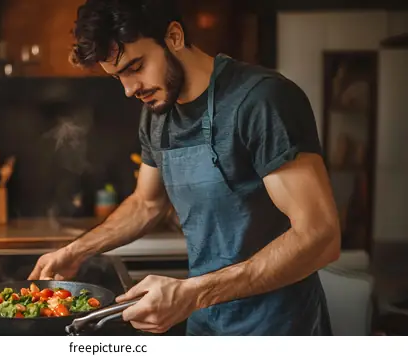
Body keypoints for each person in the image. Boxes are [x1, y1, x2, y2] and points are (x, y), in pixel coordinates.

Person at [28, 0, 341, 336]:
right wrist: (76, 251)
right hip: (206, 323)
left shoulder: (262, 100)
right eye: (119, 76)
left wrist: (193, 293)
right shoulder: (157, 113)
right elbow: (147, 204)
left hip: (276, 328)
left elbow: (320, 236)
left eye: (136, 66)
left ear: (174, 36)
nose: (130, 89)